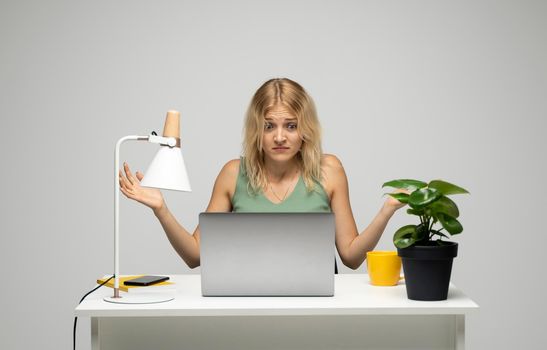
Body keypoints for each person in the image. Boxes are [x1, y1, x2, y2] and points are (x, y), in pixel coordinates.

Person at [119, 78, 406, 271]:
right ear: (257, 130)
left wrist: (386, 212)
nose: (280, 137)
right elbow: (195, 256)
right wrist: (161, 210)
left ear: (305, 129)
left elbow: (352, 257)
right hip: (248, 306)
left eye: (290, 126)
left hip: (317, 308)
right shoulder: (233, 174)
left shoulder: (329, 171)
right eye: (269, 126)